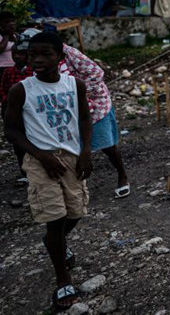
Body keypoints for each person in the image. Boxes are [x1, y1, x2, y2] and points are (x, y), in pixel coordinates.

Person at [4, 32, 92, 311]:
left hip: (71, 156)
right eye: (33, 55)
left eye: (46, 54)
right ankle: (63, 279)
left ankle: (55, 241)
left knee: (76, 212)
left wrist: (86, 152)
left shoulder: (74, 84)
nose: (38, 60)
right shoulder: (22, 90)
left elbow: (85, 118)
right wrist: (41, 155)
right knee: (55, 217)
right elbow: (11, 129)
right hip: (40, 161)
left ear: (61, 57)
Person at [59, 43, 129, 198]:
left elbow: (96, 72)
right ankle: (75, 186)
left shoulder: (69, 53)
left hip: (93, 103)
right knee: (71, 148)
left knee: (107, 144)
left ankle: (122, 175)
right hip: (67, 109)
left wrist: (78, 92)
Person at [1, 38, 34, 184]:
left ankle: (35, 170)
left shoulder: (33, 71)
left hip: (30, 112)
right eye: (14, 53)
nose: (17, 56)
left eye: (21, 54)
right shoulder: (9, 72)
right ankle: (24, 172)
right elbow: (3, 90)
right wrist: (7, 102)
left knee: (33, 140)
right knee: (18, 144)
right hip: (14, 112)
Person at [0, 11, 17, 76]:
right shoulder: (2, 36)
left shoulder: (15, 35)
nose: (10, 24)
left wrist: (11, 35)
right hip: (2, 68)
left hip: (14, 67)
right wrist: (6, 36)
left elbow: (19, 49)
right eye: (6, 22)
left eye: (12, 22)